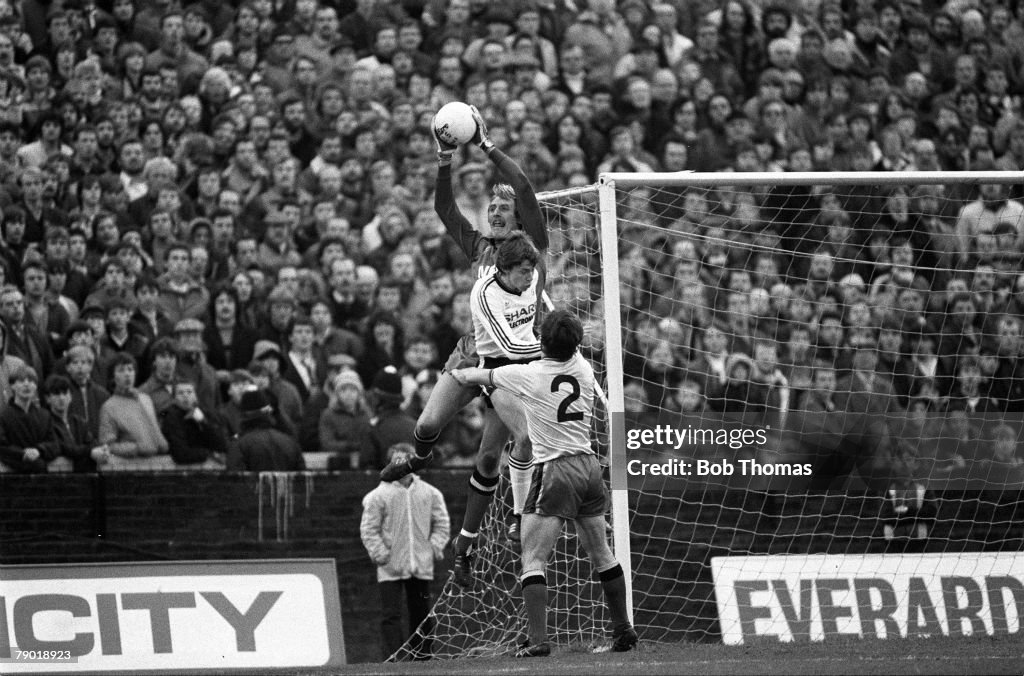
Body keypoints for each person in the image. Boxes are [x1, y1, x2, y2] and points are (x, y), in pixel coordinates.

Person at [381, 106, 547, 568]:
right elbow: (443, 207)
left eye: (502, 207)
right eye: (491, 206)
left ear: (518, 215)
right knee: (429, 425)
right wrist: (444, 159)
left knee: (497, 454)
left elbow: (527, 189)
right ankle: (418, 460)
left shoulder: (534, 247)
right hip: (471, 357)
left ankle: (487, 532)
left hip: (514, 366)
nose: (494, 211)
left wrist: (489, 145)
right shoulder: (479, 248)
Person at [451, 310, 636, 656]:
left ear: (541, 343)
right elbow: (568, 343)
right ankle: (624, 629)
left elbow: (477, 376)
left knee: (533, 558)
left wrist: (458, 372)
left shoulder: (528, 375)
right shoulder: (584, 369)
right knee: (602, 553)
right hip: (589, 467)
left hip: (554, 470)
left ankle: (538, 641)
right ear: (576, 345)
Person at [360, 442, 450, 660]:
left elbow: (442, 523)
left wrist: (434, 547)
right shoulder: (378, 495)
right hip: (391, 564)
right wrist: (380, 553)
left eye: (406, 461)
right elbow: (369, 528)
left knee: (421, 612)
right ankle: (394, 657)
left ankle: (423, 657)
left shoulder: (430, 493)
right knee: (391, 615)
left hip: (420, 563)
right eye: (397, 461)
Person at [226, 389, 306, 471]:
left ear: (243, 415)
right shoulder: (290, 442)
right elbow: (302, 478)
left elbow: (235, 480)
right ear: (268, 413)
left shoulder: (239, 445)